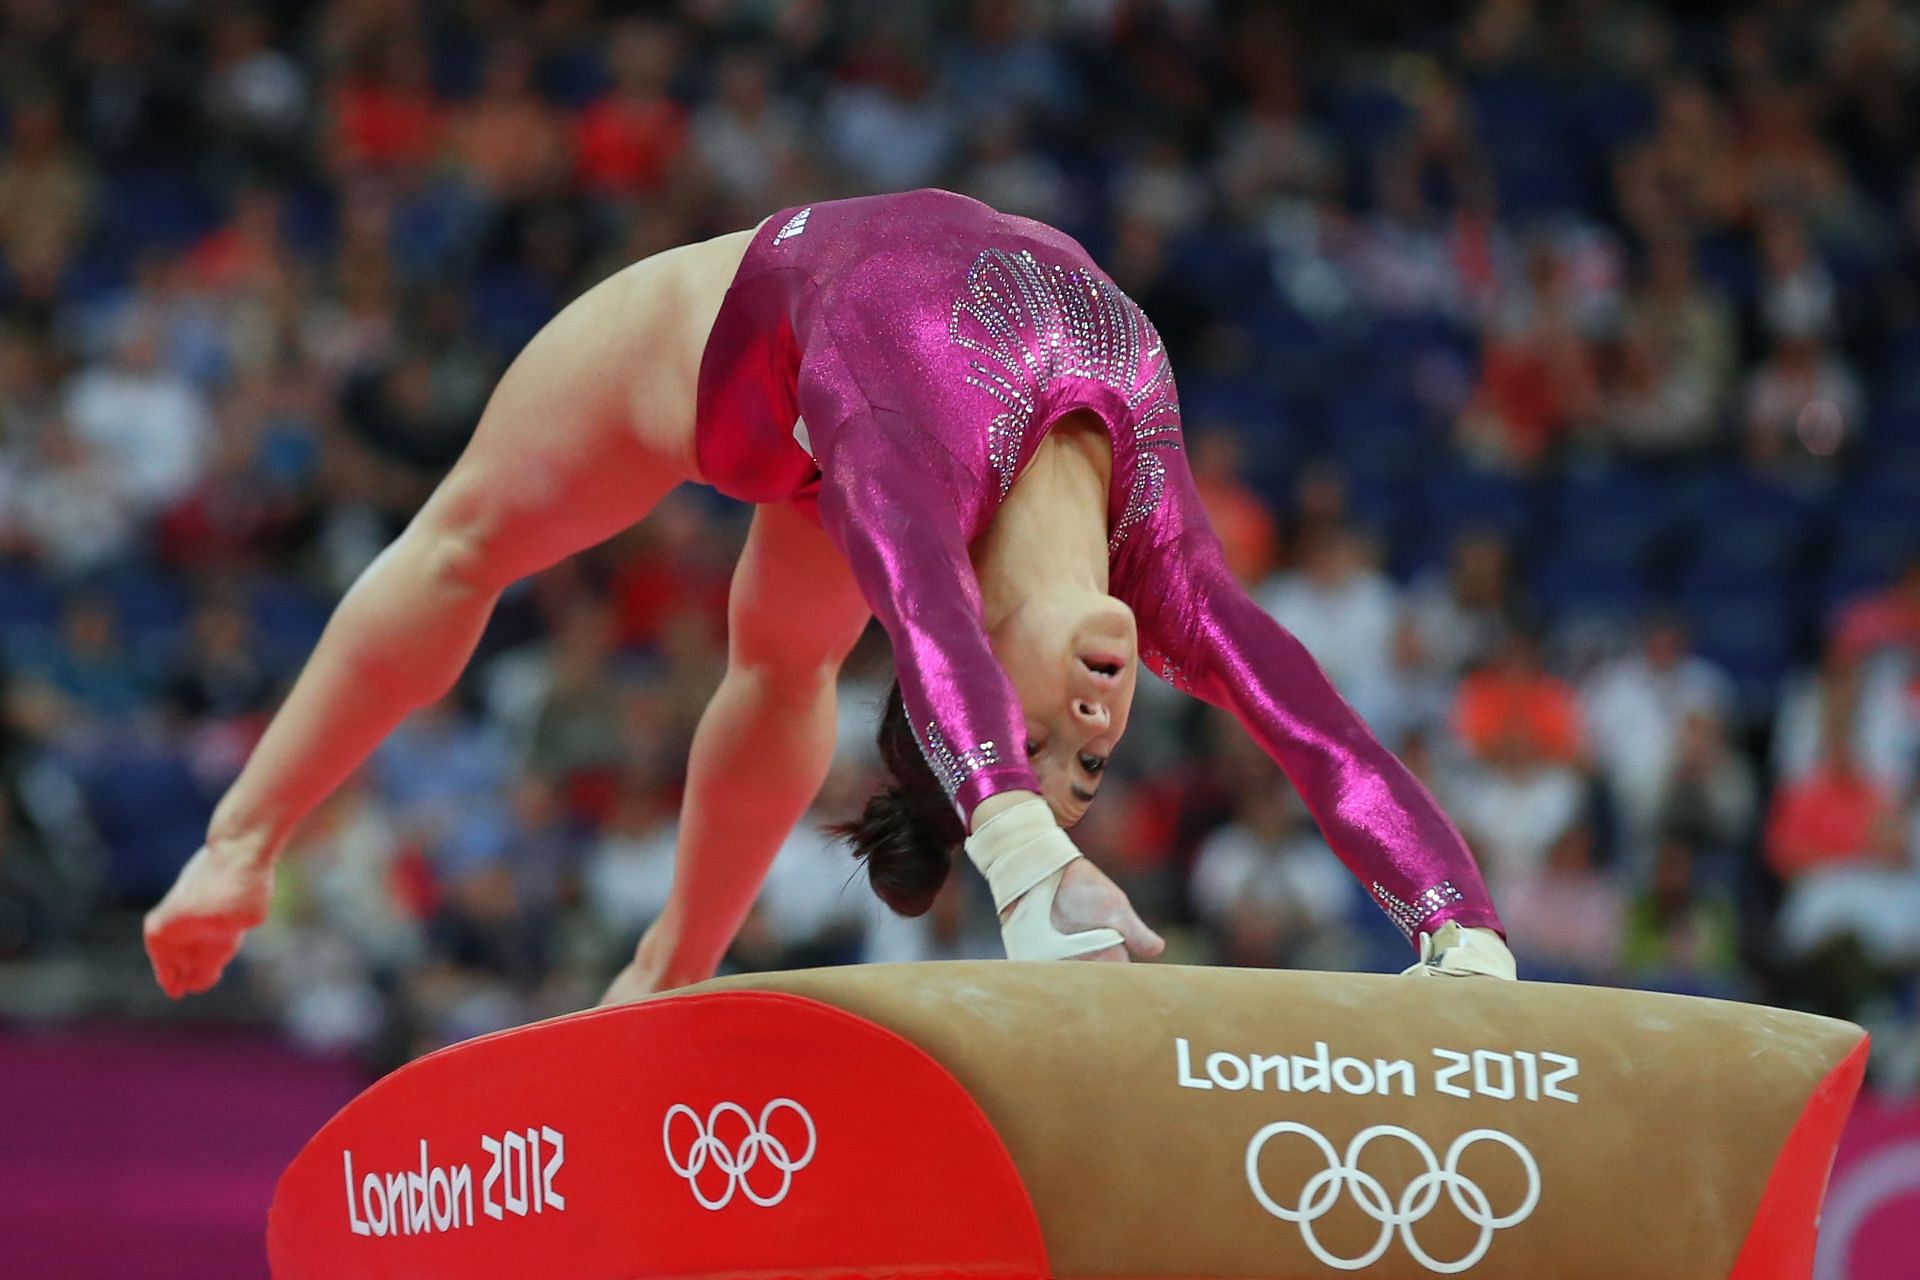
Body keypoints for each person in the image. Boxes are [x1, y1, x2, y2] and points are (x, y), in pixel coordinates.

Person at [142, 189, 1512, 1004]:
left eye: (1053, 749)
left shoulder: (922, 538)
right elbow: (1319, 728)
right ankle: (244, 839)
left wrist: (1463, 954)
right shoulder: (1163, 568)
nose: (1099, 724)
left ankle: (662, 970)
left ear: (957, 673)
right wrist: (1459, 921)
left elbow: (930, 604)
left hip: (804, 402)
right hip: (728, 370)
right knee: (467, 551)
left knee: (751, 651)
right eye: (1098, 758)